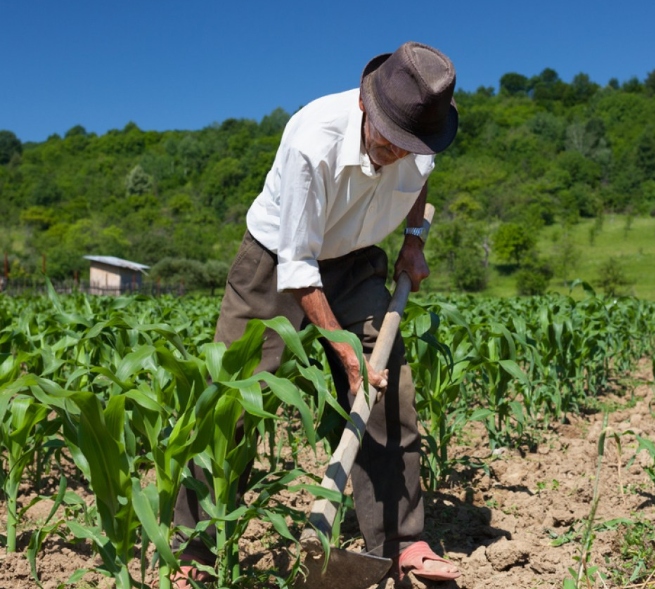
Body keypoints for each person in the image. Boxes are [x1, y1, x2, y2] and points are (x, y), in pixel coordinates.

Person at [170, 41, 461, 587]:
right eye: (389, 140)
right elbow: (298, 267)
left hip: (357, 261)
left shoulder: (423, 135)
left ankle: (402, 540)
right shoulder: (312, 140)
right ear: (365, 107)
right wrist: (342, 350)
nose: (399, 152)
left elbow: (420, 183)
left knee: (388, 392)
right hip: (276, 260)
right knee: (232, 397)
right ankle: (193, 551)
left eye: (410, 144)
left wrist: (415, 240)